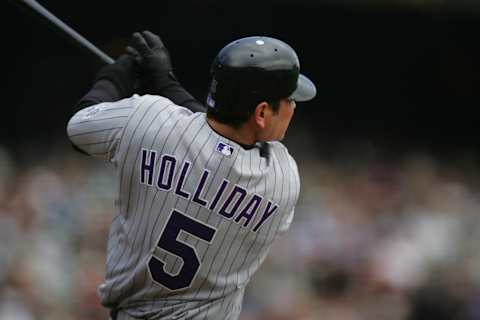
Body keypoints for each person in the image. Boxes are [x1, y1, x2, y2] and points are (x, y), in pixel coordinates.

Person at [66, 30, 316, 320]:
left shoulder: (148, 119)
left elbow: (79, 127)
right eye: (288, 99)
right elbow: (218, 144)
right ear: (261, 113)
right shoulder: (282, 179)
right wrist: (166, 83)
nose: (293, 106)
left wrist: (115, 76)